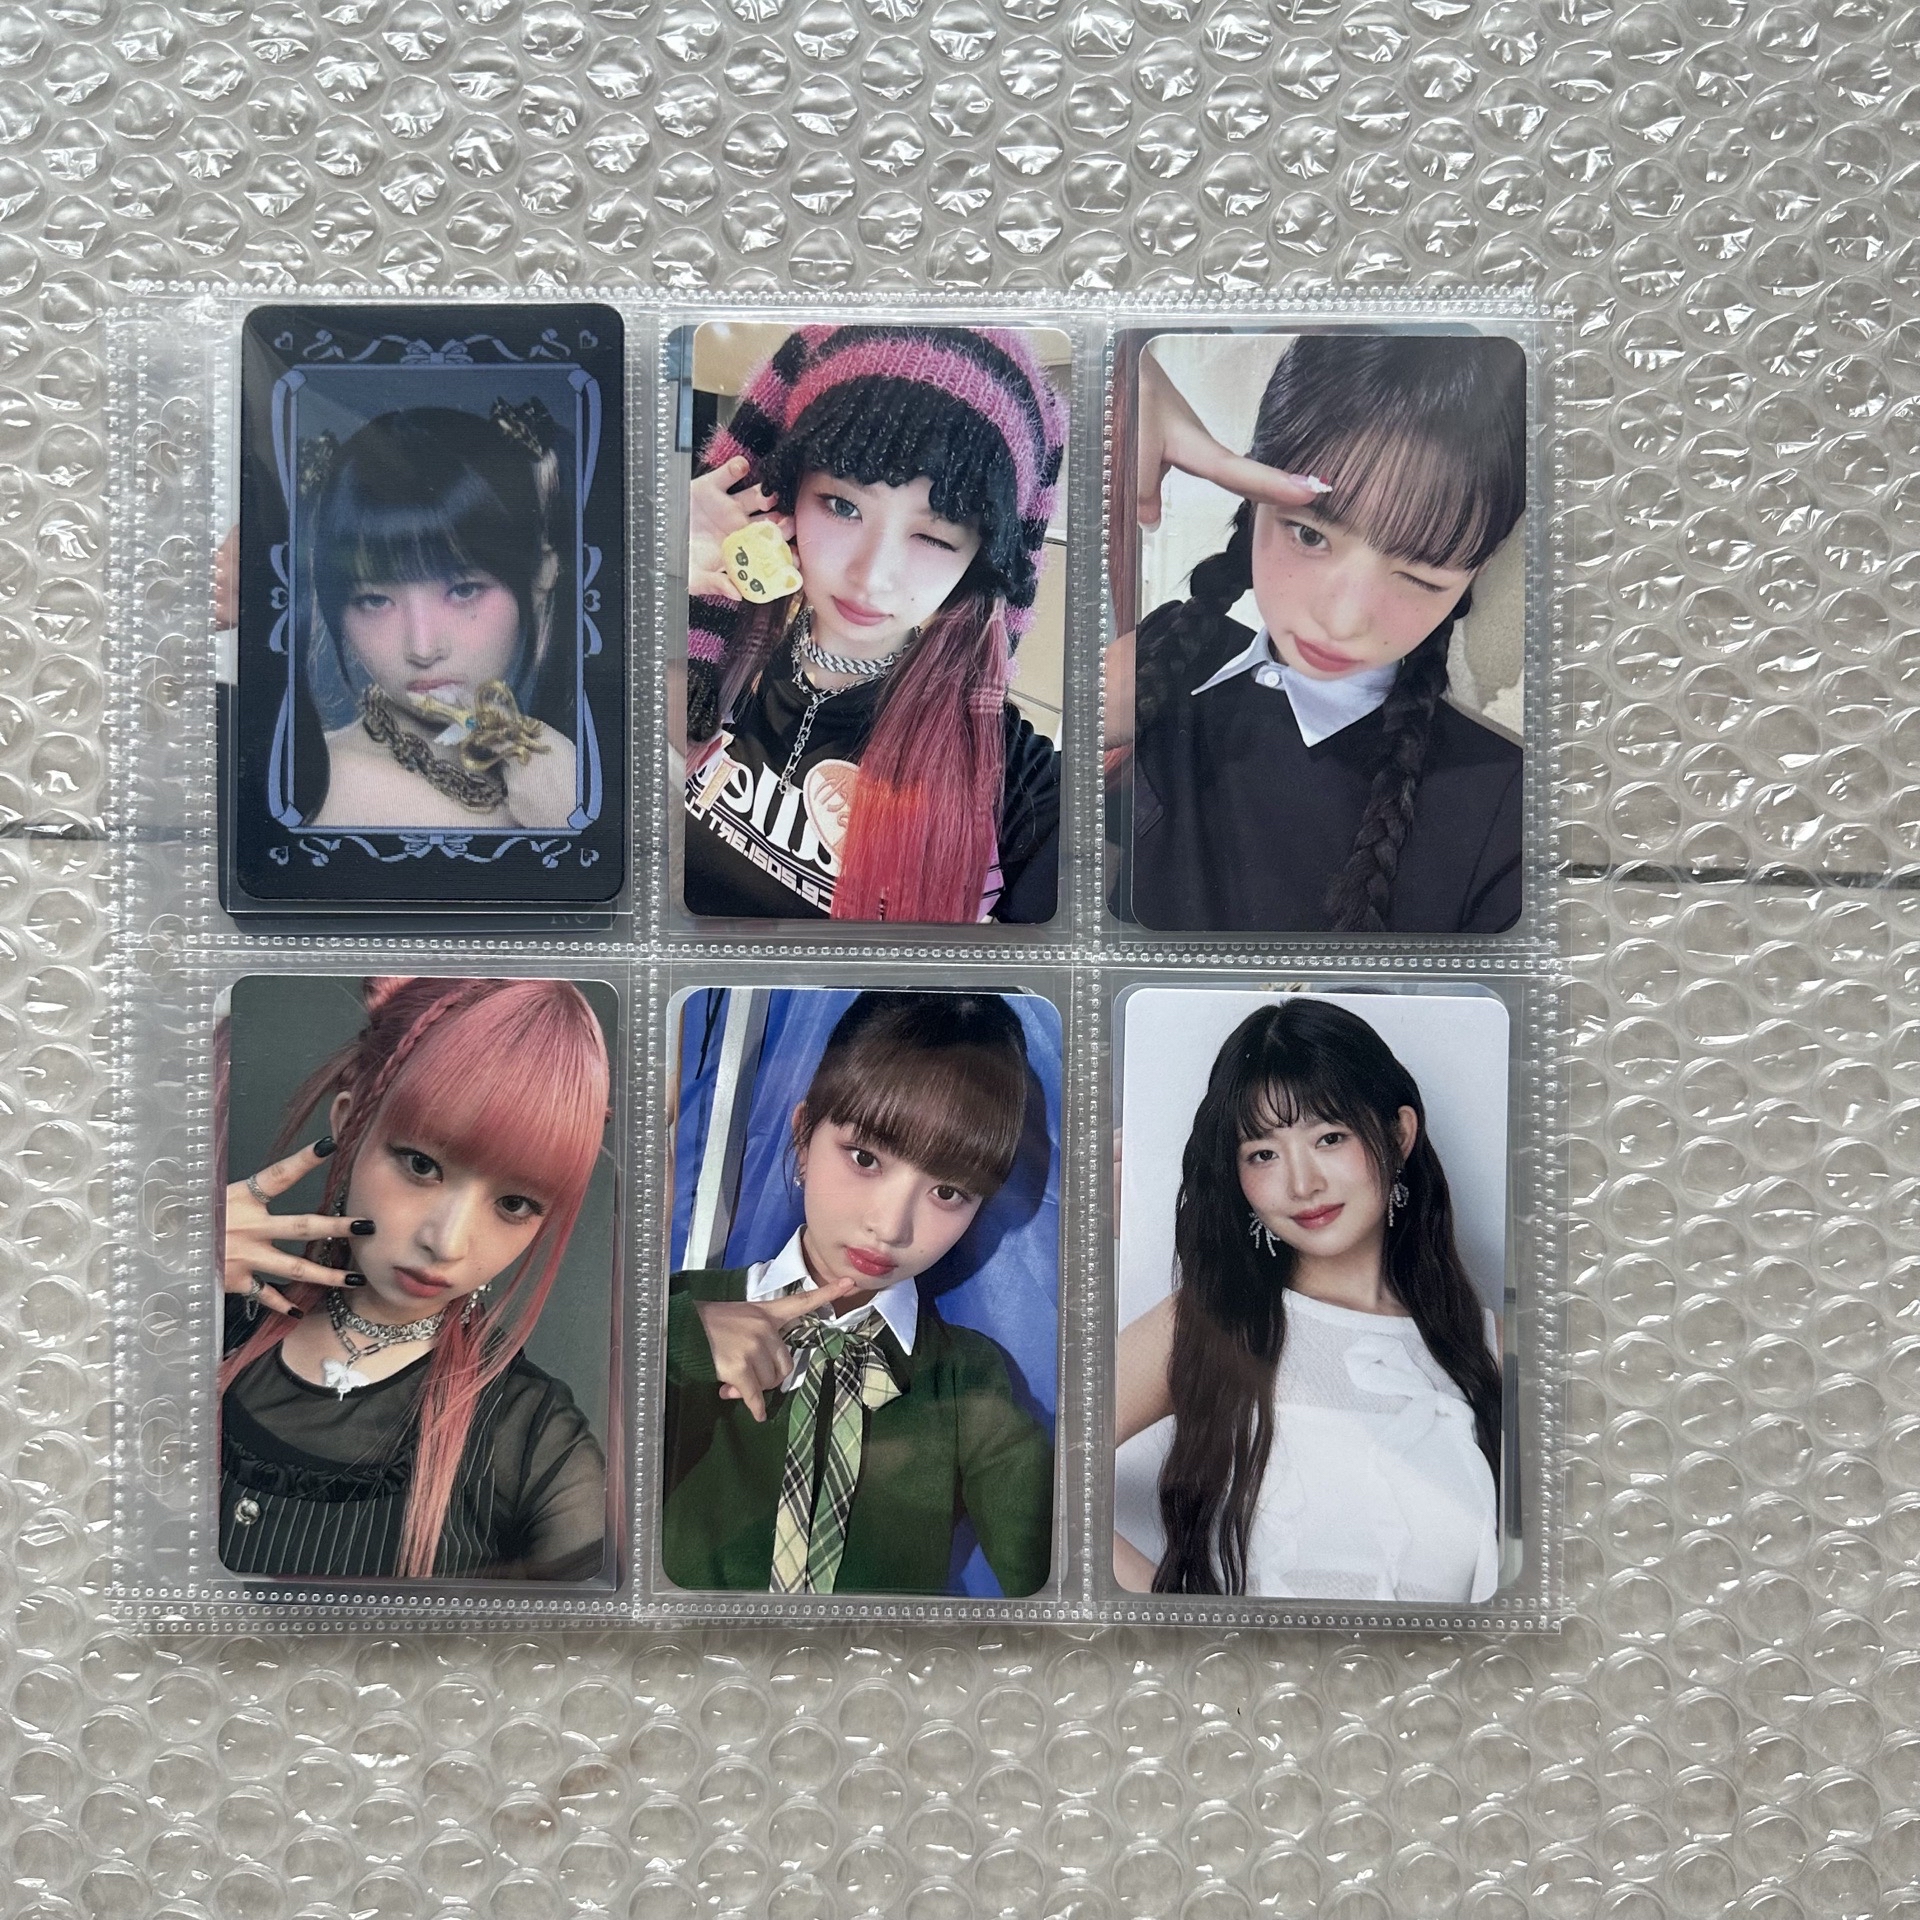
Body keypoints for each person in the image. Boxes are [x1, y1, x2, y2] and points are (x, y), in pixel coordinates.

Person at [1109, 333, 1528, 933]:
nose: (1342, 621)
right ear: (1254, 496)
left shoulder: (1504, 807)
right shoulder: (1163, 652)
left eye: (1420, 576)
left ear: (1474, 574)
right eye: (1310, 535)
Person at [218, 975, 612, 1581]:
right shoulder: (208, 1315)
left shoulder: (534, 1442)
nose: (446, 1243)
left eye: (514, 1204)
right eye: (422, 1165)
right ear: (350, 1127)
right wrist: (160, 1272)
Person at [662, 993, 1055, 1595]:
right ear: (803, 1137)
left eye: (948, 1192)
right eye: (865, 1158)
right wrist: (676, 1336)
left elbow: (1058, 1570)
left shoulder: (967, 1379)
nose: (890, 1226)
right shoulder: (670, 1311)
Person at [1113, 998, 1503, 1601]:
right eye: (1263, 1154)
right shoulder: (1208, 1324)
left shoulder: (1490, 1348)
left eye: (1330, 1137)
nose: (1303, 1184)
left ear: (1399, 1136)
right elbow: (1037, 1462)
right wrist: (1172, 1617)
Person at [681, 325, 1066, 923]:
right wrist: (651, 586)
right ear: (787, 492)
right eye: (842, 505)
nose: (872, 577)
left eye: (935, 535)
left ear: (980, 559)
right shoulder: (702, 658)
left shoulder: (1007, 779)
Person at [294, 402, 578, 831]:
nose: (422, 648)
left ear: (541, 575)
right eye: (374, 600)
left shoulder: (592, 771)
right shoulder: (315, 792)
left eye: (463, 591)